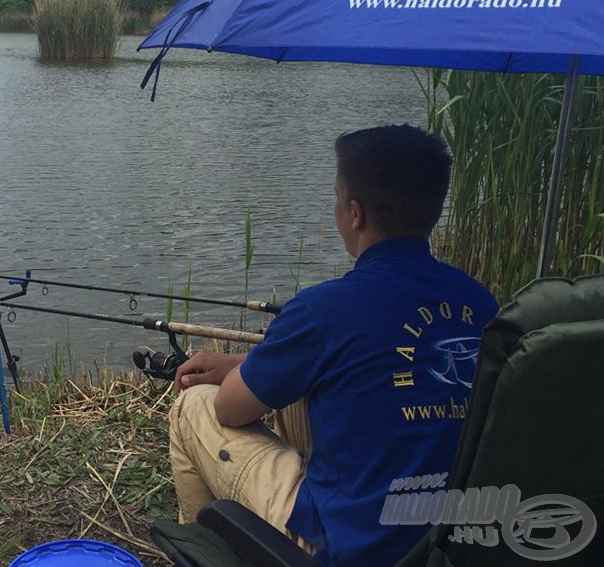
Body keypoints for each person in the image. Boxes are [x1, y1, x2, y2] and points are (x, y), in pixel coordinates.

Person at [169, 124, 499, 566]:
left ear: (355, 212)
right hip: (451, 539)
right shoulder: (479, 302)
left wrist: (235, 379)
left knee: (193, 408)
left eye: (337, 198)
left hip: (351, 547)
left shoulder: (323, 309)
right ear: (434, 210)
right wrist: (244, 363)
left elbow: (229, 409)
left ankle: (203, 552)